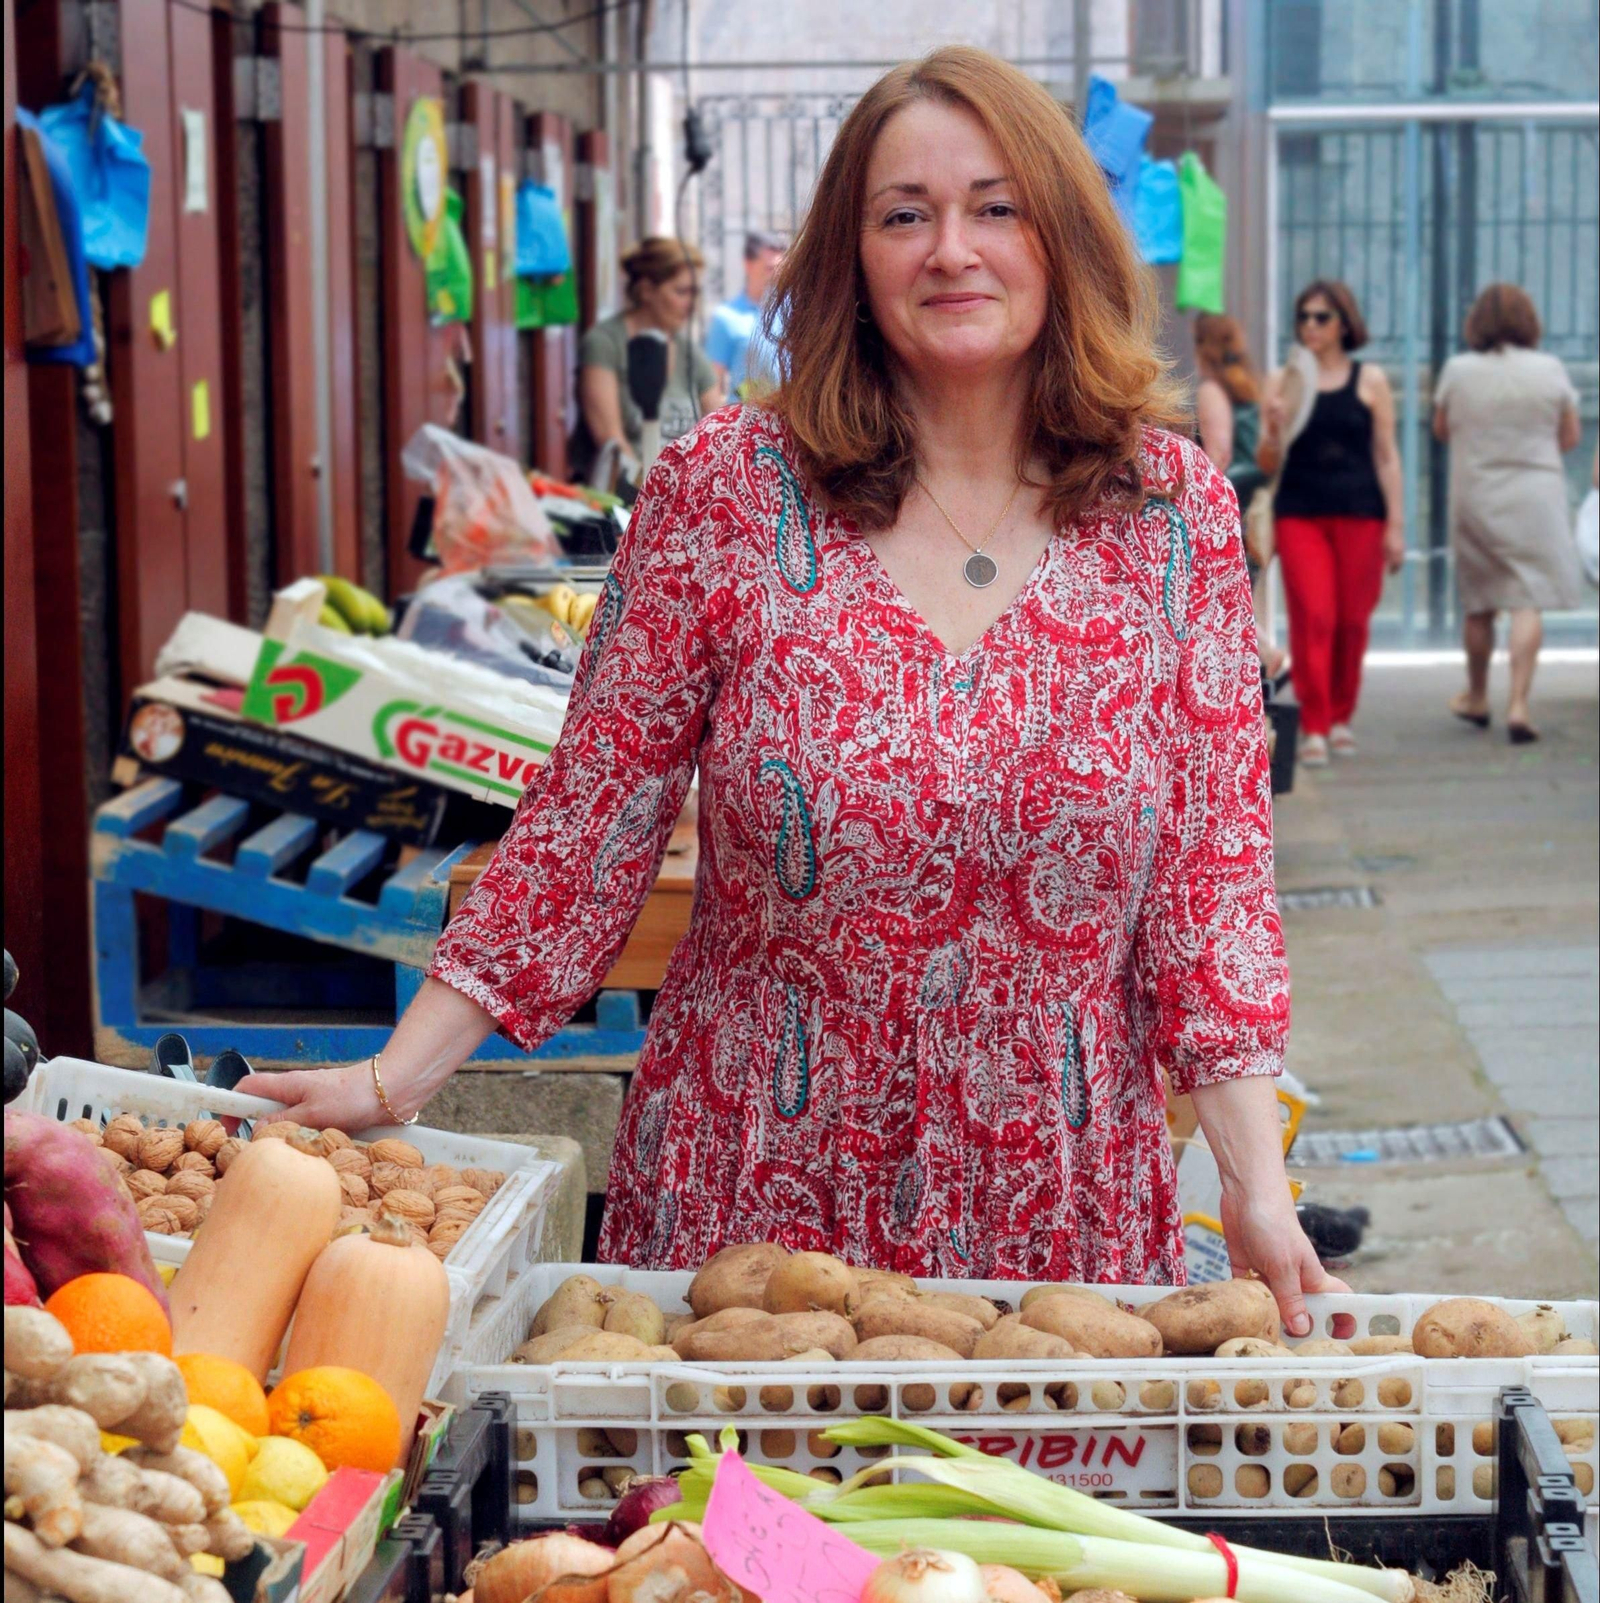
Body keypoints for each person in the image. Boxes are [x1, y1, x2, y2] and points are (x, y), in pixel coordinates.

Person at [242, 47, 1339, 1330]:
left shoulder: (1171, 516)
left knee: (1016, 1534)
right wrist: (393, 1080)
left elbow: (1211, 878)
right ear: (848, 258)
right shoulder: (729, 489)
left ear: (1066, 240)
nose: (952, 250)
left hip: (1060, 1212)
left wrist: (1254, 1184)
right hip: (756, 1184)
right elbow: (592, 814)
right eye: (903, 214)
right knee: (720, 1531)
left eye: (996, 207)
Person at [1258, 281, 1404, 767]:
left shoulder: (1371, 380)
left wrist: (1397, 526)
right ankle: (1316, 724)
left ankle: (1342, 715)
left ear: (1344, 321)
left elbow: (1386, 457)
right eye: (1304, 317)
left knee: (1351, 622)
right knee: (1314, 615)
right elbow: (1265, 458)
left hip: (1362, 513)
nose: (1310, 326)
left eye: (1321, 317)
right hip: (1300, 511)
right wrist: (1275, 426)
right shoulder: (1283, 380)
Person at [1432, 283, 1583, 744]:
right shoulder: (1550, 369)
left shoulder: (1458, 371)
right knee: (1526, 599)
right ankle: (1519, 703)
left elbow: (1441, 429)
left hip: (1476, 494)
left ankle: (1477, 696)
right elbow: (1570, 436)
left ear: (1476, 322)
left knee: (1479, 603)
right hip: (1536, 496)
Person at [573, 237, 720, 480]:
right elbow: (612, 445)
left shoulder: (690, 354)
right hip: (619, 498)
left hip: (679, 499)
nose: (691, 304)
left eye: (696, 293)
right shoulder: (605, 344)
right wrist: (653, 495)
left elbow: (719, 432)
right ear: (646, 290)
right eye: (682, 292)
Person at [1193, 313, 1284, 679]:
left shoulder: (1212, 390)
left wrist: (1205, 504)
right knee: (1241, 590)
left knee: (1226, 595)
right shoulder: (1250, 387)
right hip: (1259, 500)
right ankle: (1261, 660)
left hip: (1234, 504)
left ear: (1203, 347)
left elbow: (1220, 453)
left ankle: (1263, 654)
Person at [706, 231, 786, 404]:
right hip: (744, 422)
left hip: (790, 422)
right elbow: (712, 384)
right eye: (770, 268)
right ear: (748, 265)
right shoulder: (726, 318)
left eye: (781, 269)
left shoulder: (794, 313)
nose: (777, 275)